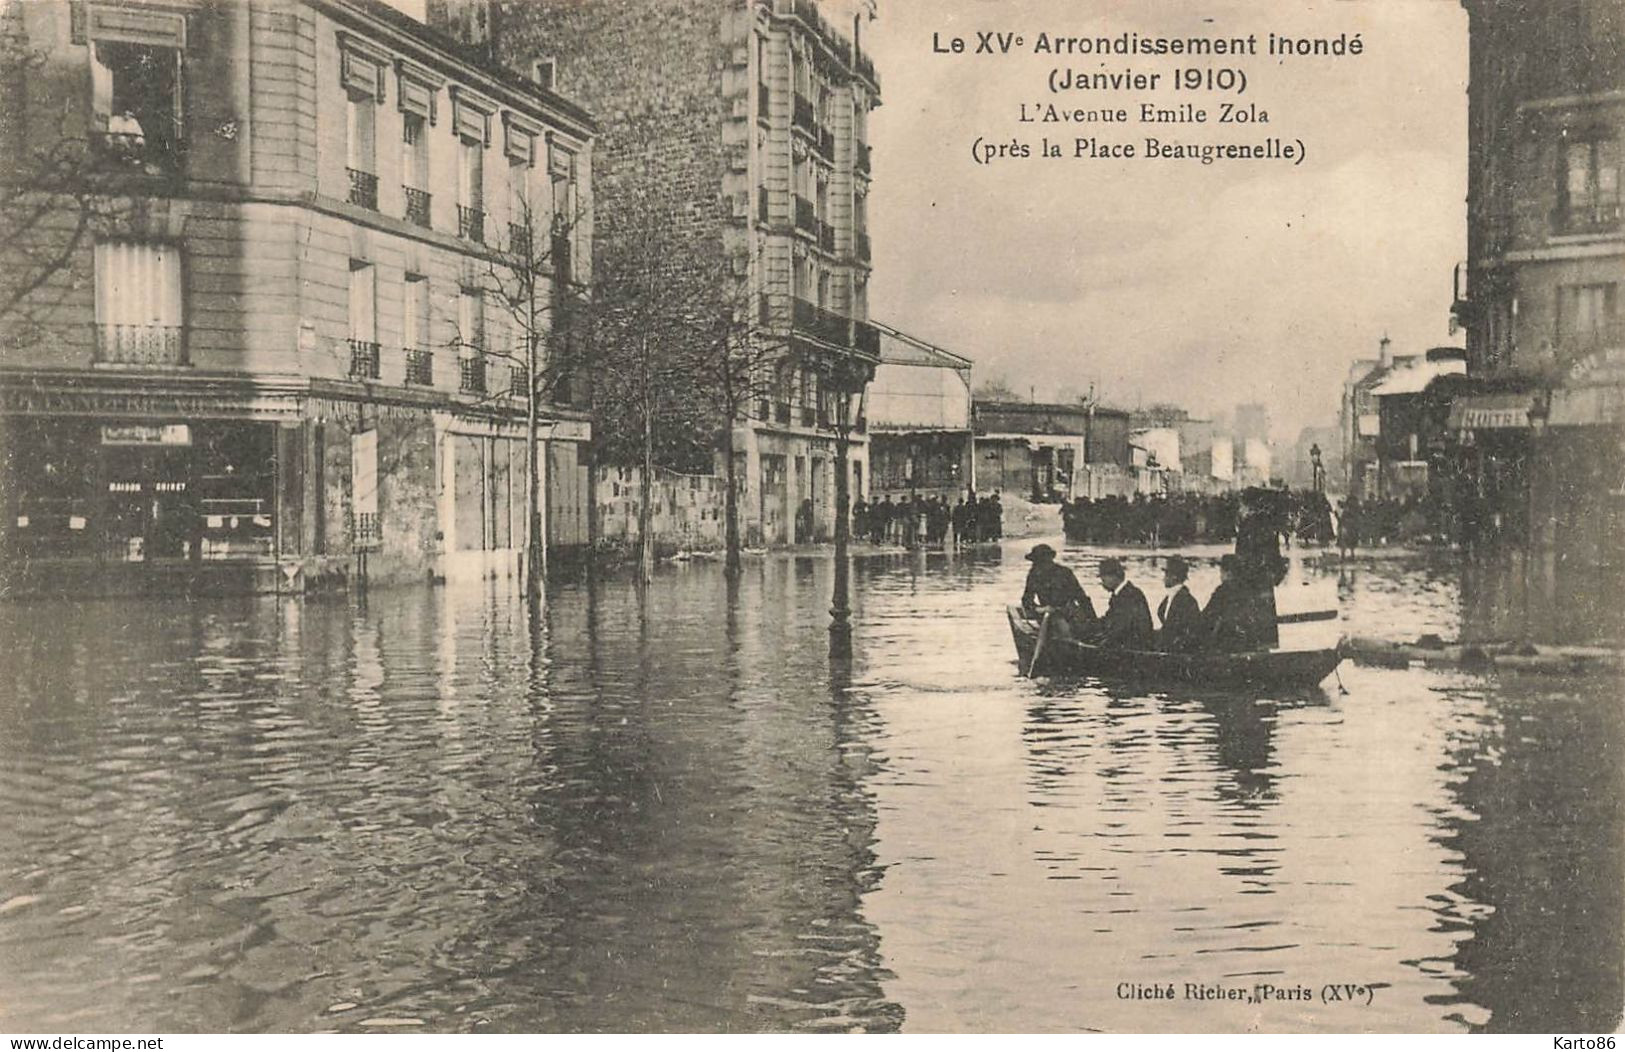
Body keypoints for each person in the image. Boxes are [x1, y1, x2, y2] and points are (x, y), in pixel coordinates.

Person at [1021, 543, 1096, 640]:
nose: (1038, 565)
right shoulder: (1034, 575)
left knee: (1084, 629)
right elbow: (1026, 600)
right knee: (1061, 627)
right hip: (1048, 616)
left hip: (1069, 611)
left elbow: (1082, 598)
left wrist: (1093, 620)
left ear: (1050, 560)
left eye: (1043, 561)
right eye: (1037, 562)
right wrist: (1039, 609)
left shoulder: (1065, 573)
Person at [1202, 554, 1271, 652]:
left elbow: (1208, 615)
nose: (1220, 576)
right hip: (1249, 642)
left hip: (1228, 644)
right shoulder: (1249, 589)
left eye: (1221, 572)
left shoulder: (1223, 591)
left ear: (1228, 573)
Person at [1090, 556, 1154, 650]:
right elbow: (1110, 620)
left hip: (1135, 648)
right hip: (1128, 643)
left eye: (1104, 578)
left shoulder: (1129, 595)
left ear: (1115, 577)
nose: (1102, 583)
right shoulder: (1121, 594)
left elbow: (1122, 627)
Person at [1155, 555, 1203, 653]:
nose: (1163, 579)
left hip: (1177, 654)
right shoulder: (1171, 596)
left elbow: (1190, 633)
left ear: (1174, 577)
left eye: (1166, 574)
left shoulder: (1187, 601)